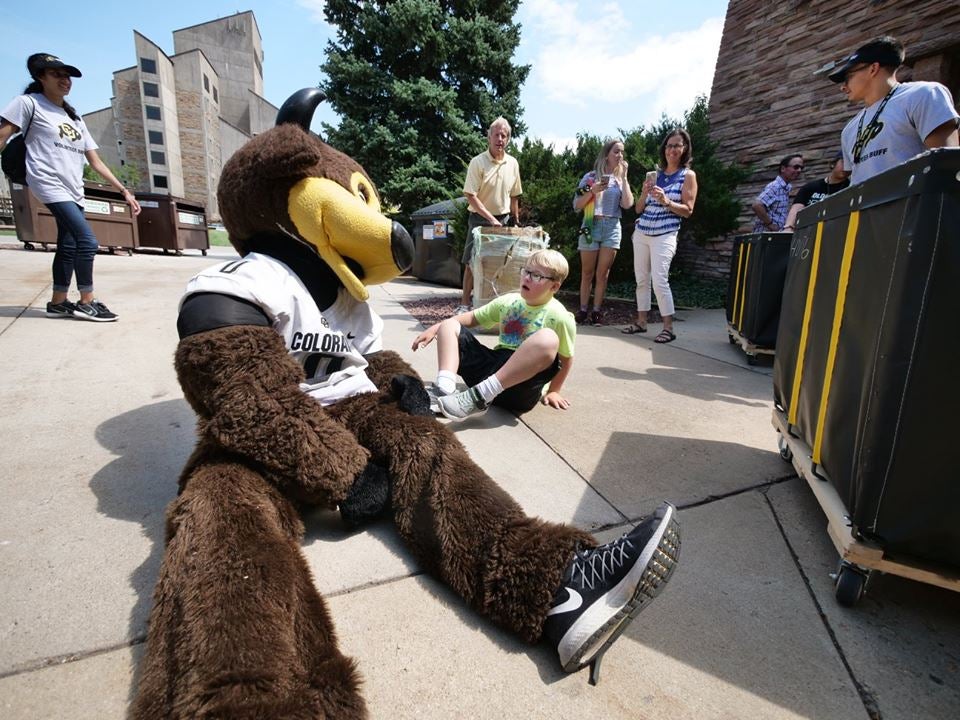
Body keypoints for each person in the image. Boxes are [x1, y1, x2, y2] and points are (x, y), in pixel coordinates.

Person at [0, 53, 141, 322]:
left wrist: (124, 191)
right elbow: (2, 136)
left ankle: (58, 302)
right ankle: (87, 300)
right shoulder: (28, 104)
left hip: (73, 188)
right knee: (87, 241)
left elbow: (96, 162)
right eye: (57, 75)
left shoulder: (74, 118)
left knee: (68, 245)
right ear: (40, 77)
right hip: (48, 182)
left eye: (67, 76)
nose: (65, 80)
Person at [412, 249, 574, 420]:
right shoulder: (509, 301)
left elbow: (566, 358)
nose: (527, 278)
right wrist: (435, 328)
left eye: (537, 276)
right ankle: (444, 389)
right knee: (449, 324)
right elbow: (471, 318)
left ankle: (479, 398)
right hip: (489, 372)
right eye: (526, 271)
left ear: (554, 286)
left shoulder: (560, 316)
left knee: (548, 338)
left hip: (521, 386)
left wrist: (554, 390)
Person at [827, 35, 959, 184]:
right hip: (863, 207)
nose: (843, 86)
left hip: (912, 204)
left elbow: (948, 163)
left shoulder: (923, 94)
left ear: (873, 69)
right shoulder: (849, 129)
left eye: (848, 77)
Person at [623, 128, 698, 344]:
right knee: (641, 280)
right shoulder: (655, 175)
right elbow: (638, 209)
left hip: (665, 234)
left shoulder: (688, 176)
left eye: (677, 145)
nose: (672, 150)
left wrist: (667, 201)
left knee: (659, 280)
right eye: (669, 145)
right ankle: (641, 322)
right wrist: (645, 193)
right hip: (643, 232)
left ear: (684, 149)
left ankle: (668, 327)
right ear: (664, 149)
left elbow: (688, 210)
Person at [456, 117, 522, 314]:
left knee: (499, 263)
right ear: (489, 137)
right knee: (471, 262)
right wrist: (490, 219)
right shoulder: (478, 162)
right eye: (496, 135)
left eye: (504, 135)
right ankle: (464, 305)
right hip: (478, 219)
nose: (500, 139)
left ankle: (492, 305)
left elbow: (514, 196)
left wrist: (516, 221)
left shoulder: (513, 163)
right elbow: (470, 195)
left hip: (503, 220)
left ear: (508, 139)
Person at [572, 139, 633, 325]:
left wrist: (624, 179)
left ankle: (597, 311)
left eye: (622, 152)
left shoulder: (619, 180)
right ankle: (583, 310)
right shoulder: (590, 177)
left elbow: (628, 204)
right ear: (607, 154)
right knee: (587, 272)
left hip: (612, 227)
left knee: (603, 273)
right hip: (590, 225)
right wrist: (592, 191)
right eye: (616, 152)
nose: (620, 155)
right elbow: (576, 205)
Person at [784, 151, 851, 231]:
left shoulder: (851, 188)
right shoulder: (811, 187)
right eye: (844, 162)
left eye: (850, 164)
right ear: (833, 164)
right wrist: (789, 227)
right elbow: (797, 208)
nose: (847, 167)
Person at [750, 153, 804, 233]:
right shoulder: (775, 186)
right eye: (796, 167)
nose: (799, 170)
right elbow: (757, 205)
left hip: (773, 236)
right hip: (765, 237)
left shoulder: (786, 187)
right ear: (783, 169)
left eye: (801, 168)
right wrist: (770, 224)